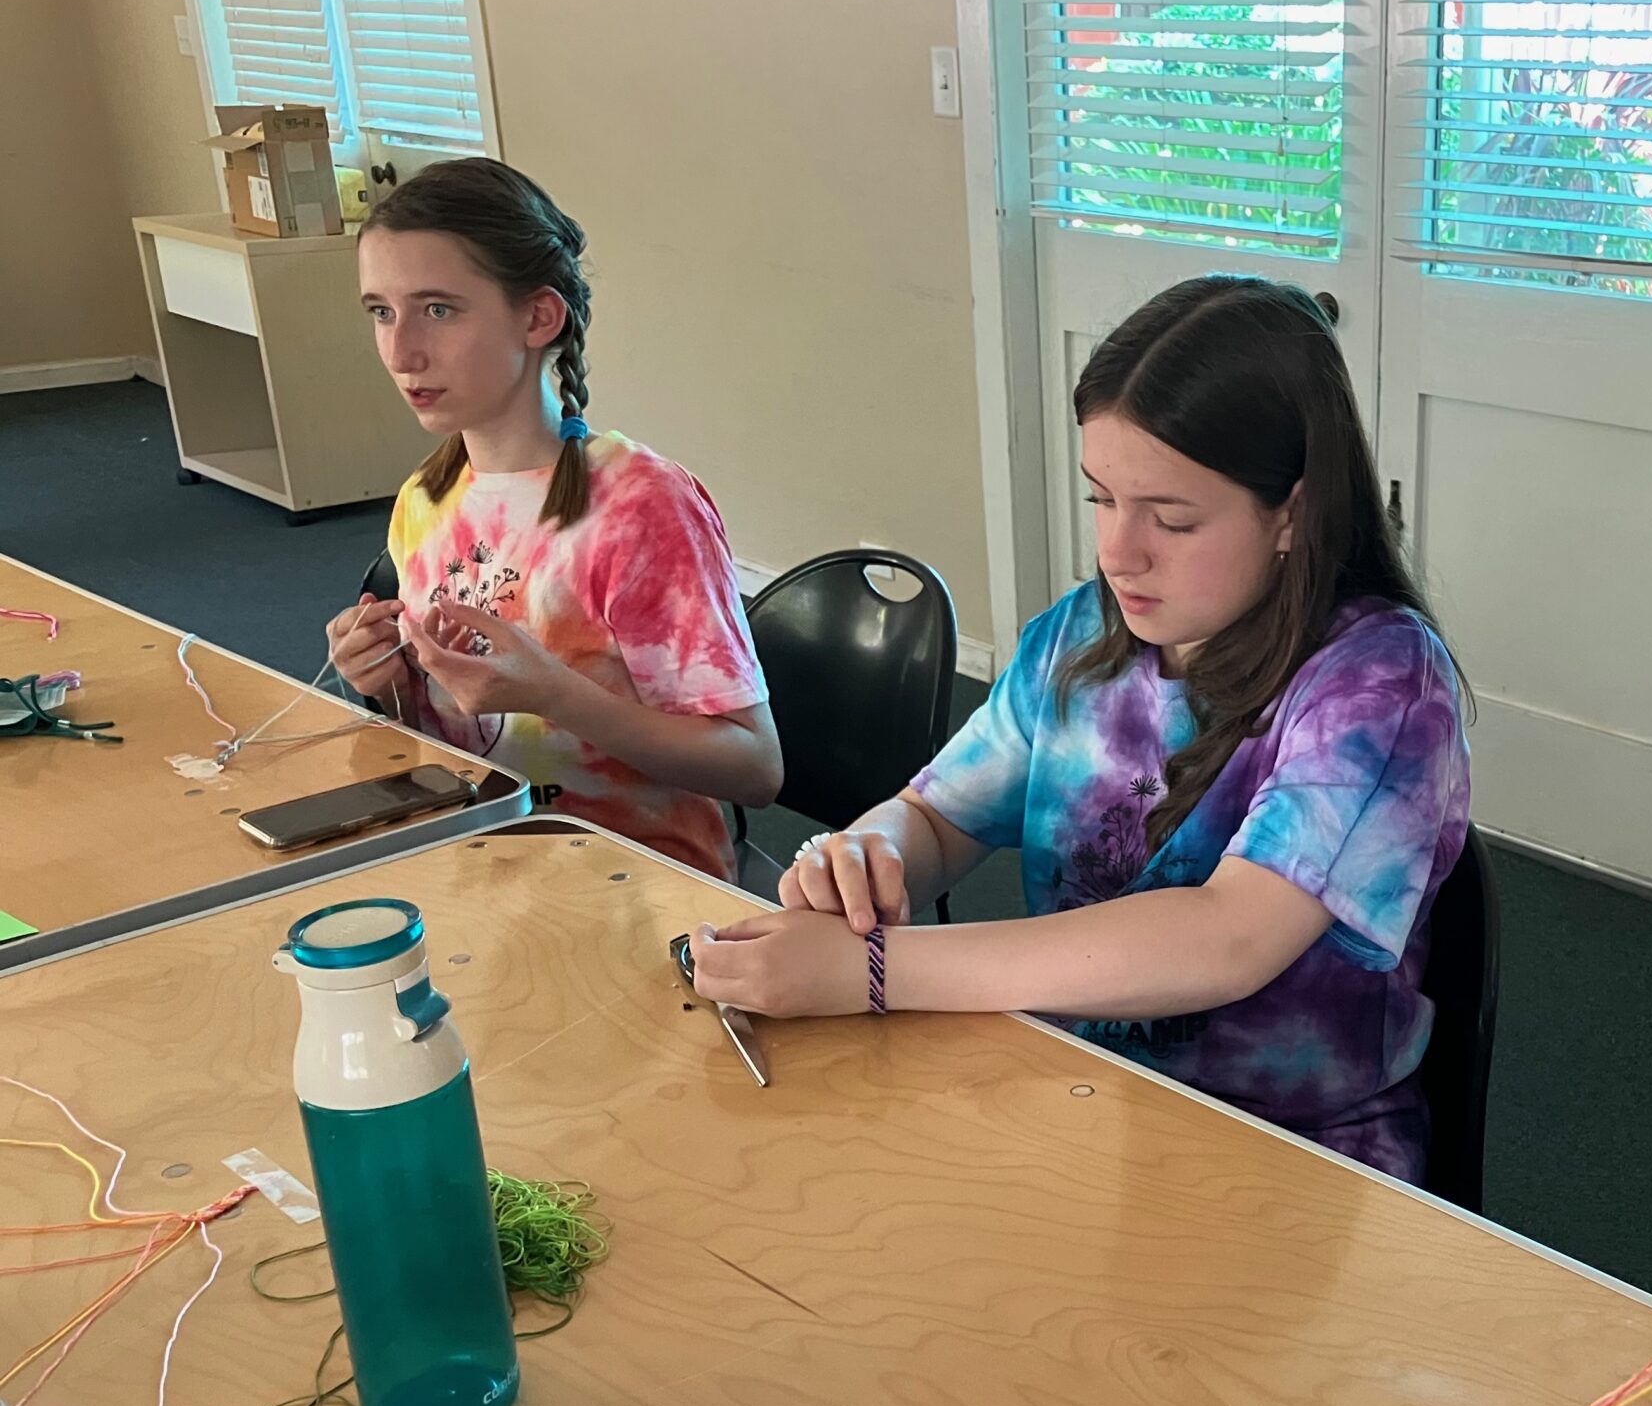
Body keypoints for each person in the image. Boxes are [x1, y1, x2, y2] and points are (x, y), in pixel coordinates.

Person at [691, 276, 1470, 1183]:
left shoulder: (1380, 682)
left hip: (1286, 1156)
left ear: (1292, 513)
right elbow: (940, 817)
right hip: (1069, 1097)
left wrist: (874, 968)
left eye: (1171, 518)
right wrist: (862, 856)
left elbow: (1225, 939)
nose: (1118, 550)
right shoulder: (1083, 635)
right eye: (1103, 499)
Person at [324, 157, 778, 879]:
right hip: (471, 858)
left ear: (538, 317)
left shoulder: (637, 508)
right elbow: (442, 730)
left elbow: (754, 767)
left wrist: (552, 693)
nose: (402, 351)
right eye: (382, 311)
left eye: (438, 310)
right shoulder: (426, 500)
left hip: (632, 878)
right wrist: (380, 679)